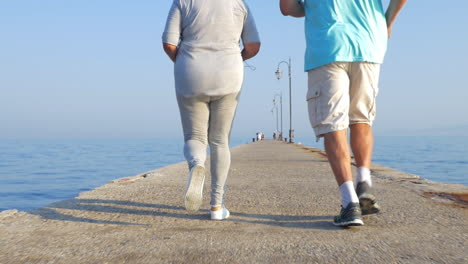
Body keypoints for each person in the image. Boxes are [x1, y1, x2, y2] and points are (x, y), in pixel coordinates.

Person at [279, 0, 406, 226]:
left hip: (328, 46)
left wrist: (311, 7)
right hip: (369, 42)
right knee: (361, 120)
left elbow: (287, 7)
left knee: (333, 126)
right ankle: (364, 183)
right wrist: (387, 22)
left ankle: (350, 204)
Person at [162, 0, 260, 220]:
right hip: (229, 74)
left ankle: (197, 165)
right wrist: (237, 58)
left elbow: (168, 43)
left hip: (191, 72)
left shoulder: (183, 1)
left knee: (195, 137)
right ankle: (216, 206)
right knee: (219, 141)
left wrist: (183, 63)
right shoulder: (239, 4)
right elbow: (253, 46)